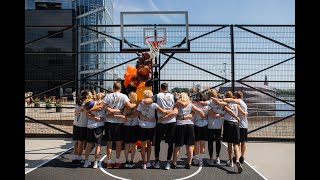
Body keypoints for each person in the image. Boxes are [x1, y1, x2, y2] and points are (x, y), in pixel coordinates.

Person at [88, 82, 136, 168]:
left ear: (113, 88)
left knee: (109, 142)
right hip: (119, 122)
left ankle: (109, 161)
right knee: (118, 142)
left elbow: (100, 107)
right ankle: (117, 161)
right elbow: (129, 106)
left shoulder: (108, 96)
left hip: (109, 121)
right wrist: (138, 103)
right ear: (120, 88)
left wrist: (88, 108)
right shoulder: (123, 96)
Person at [128, 90, 170, 169]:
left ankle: (144, 163)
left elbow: (136, 114)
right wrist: (171, 111)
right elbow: (163, 111)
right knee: (149, 144)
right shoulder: (154, 104)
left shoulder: (141, 104)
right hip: (151, 125)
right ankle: (148, 161)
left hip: (142, 125)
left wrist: (126, 116)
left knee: (143, 145)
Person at [144, 83, 178, 170]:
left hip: (161, 121)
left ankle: (157, 161)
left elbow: (147, 101)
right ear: (167, 88)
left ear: (161, 88)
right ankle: (168, 162)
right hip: (171, 121)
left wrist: (156, 105)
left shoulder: (157, 95)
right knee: (170, 143)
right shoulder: (172, 96)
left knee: (157, 142)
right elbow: (179, 105)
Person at [171, 92, 205, 169]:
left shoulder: (177, 104)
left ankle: (174, 162)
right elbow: (199, 110)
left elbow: (175, 113)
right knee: (189, 146)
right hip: (190, 125)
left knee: (178, 146)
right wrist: (202, 116)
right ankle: (189, 163)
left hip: (180, 125)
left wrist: (181, 116)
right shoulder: (190, 104)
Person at [110, 92, 139, 168]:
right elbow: (137, 114)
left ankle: (126, 161)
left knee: (126, 145)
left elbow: (124, 116)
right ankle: (131, 161)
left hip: (126, 127)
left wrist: (119, 116)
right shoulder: (137, 105)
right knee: (133, 145)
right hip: (134, 126)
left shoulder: (126, 106)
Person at [222, 91, 248, 164]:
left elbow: (227, 110)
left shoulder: (234, 102)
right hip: (239, 124)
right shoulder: (239, 104)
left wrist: (222, 100)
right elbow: (244, 113)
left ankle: (231, 160)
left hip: (233, 123)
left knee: (230, 143)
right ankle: (238, 158)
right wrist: (245, 113)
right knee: (238, 143)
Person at [83, 98, 105, 169]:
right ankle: (95, 162)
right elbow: (102, 117)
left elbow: (86, 113)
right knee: (97, 145)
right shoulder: (101, 106)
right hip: (98, 127)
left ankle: (86, 162)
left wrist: (93, 117)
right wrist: (96, 118)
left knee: (89, 144)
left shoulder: (89, 107)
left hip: (90, 126)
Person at [191, 92, 210, 166]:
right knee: (202, 143)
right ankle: (201, 160)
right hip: (205, 124)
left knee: (196, 143)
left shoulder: (195, 105)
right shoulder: (207, 105)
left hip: (197, 124)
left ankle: (196, 159)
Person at [71, 92, 88, 165]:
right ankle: (78, 158)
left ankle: (75, 158)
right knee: (80, 142)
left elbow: (75, 112)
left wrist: (79, 111)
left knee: (77, 142)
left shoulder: (78, 103)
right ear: (87, 95)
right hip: (82, 124)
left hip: (76, 124)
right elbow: (77, 112)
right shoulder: (87, 103)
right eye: (90, 94)